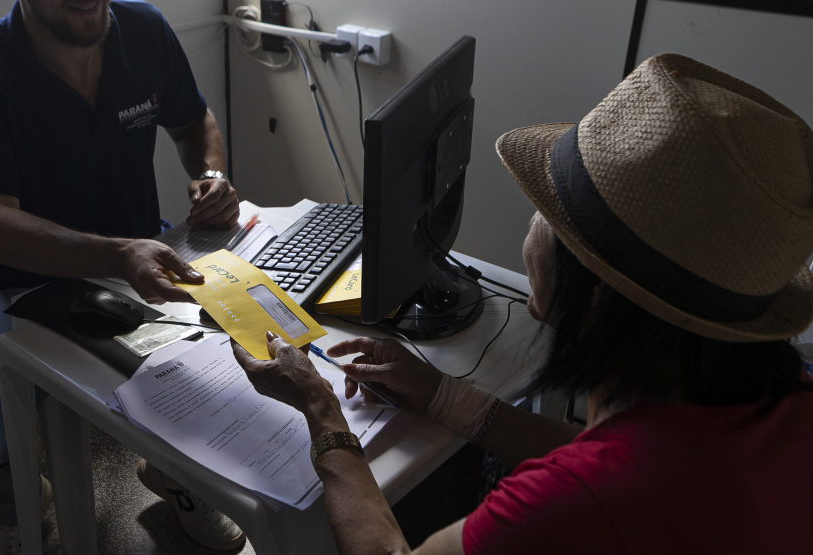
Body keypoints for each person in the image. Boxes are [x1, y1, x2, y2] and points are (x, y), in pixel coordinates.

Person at [232, 53, 813, 553]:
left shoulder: (575, 504)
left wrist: (320, 408)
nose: (535, 218)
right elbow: (626, 453)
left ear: (596, 294)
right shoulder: (778, 404)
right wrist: (442, 395)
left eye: (554, 210)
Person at [0, 0, 245, 552]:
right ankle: (22, 501)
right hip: (26, 288)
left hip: (144, 265)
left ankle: (174, 475)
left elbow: (194, 120)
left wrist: (211, 173)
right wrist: (118, 255)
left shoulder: (143, 29)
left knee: (242, 369)